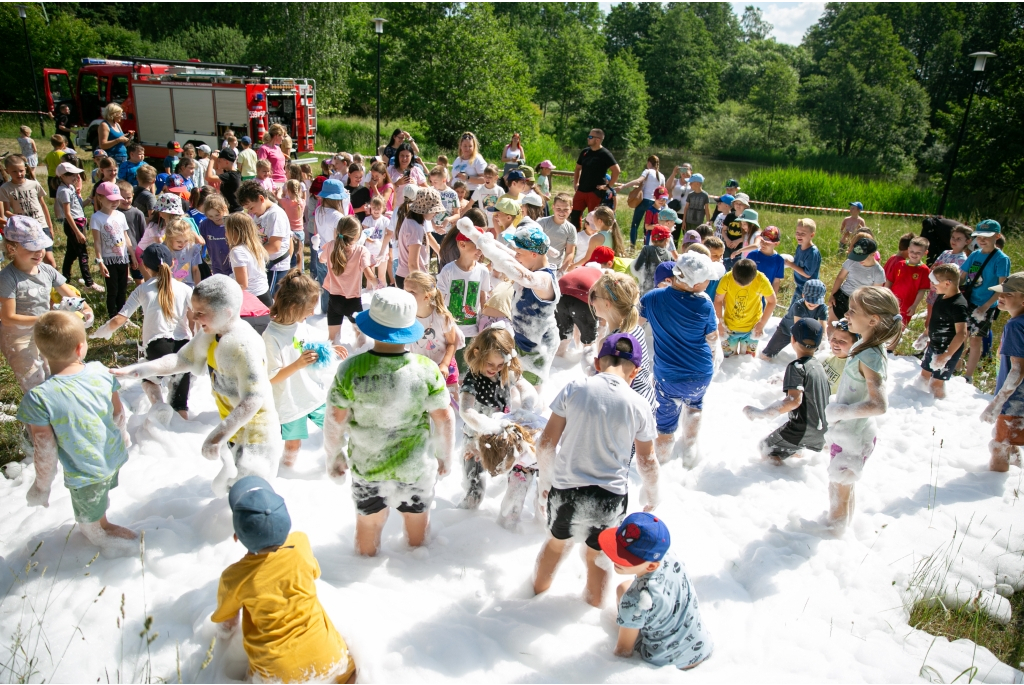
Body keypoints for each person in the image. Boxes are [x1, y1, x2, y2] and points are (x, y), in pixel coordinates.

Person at [114, 276, 282, 495]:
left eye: (201, 312)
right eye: (194, 310)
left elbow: (254, 398)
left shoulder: (243, 344)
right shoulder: (212, 333)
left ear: (227, 312)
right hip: (235, 431)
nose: (194, 316)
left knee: (250, 497)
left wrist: (218, 435)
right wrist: (139, 370)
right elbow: (181, 360)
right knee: (233, 491)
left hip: (256, 437)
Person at [322, 287, 456, 556]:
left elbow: (335, 420)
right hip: (414, 469)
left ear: (371, 326)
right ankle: (417, 569)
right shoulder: (426, 370)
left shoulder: (350, 370)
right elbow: (445, 419)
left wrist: (333, 455)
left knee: (368, 527)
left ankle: (363, 574)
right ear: (409, 329)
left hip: (367, 467)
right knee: (417, 529)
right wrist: (445, 456)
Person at [533, 333, 660, 608]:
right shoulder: (639, 404)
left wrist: (546, 481)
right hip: (609, 497)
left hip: (566, 490)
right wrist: (653, 495)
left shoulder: (575, 387)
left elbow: (545, 445)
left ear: (597, 363)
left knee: (555, 545)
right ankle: (591, 612)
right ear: (635, 371)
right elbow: (647, 461)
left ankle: (532, 599)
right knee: (598, 557)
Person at [213, 476, 356, 683]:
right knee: (345, 673)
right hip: (330, 660)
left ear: (236, 537)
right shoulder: (300, 545)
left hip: (277, 674)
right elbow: (314, 574)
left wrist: (222, 637)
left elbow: (227, 626)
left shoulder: (234, 578)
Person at [18, 311, 135, 557]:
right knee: (98, 507)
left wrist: (41, 487)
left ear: (41, 351)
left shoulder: (39, 398)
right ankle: (120, 538)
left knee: (92, 528)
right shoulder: (101, 371)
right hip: (112, 457)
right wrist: (123, 438)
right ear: (81, 348)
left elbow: (44, 448)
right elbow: (118, 414)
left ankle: (134, 544)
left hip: (85, 473)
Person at [824, 286, 901, 531]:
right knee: (843, 484)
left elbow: (879, 404)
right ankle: (841, 527)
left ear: (873, 320)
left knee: (839, 487)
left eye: (853, 310)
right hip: (850, 432)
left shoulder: (870, 356)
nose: (847, 313)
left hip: (853, 436)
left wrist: (840, 412)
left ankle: (833, 534)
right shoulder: (866, 348)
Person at [639, 252, 723, 466]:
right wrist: (712, 360)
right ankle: (690, 447)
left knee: (665, 424)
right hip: (700, 374)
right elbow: (712, 338)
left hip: (667, 377)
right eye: (707, 280)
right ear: (694, 284)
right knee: (695, 406)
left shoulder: (651, 298)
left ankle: (663, 463)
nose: (709, 283)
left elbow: (635, 329)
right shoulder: (704, 305)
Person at [91, 243, 194, 418]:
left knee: (149, 380)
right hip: (184, 347)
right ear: (173, 263)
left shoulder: (143, 289)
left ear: (145, 266)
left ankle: (159, 406)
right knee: (180, 403)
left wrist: (100, 332)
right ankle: (183, 432)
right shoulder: (185, 289)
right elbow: (196, 317)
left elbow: (119, 320)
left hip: (157, 346)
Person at [601, 513, 713, 670]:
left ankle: (631, 623)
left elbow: (623, 652)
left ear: (651, 566)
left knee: (623, 590)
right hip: (701, 645)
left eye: (624, 558)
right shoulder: (668, 556)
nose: (614, 558)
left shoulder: (634, 599)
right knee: (628, 589)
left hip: (664, 662)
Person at [457, 217, 560, 388]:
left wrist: (486, 245)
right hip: (522, 339)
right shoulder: (530, 263)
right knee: (514, 386)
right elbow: (505, 254)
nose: (515, 255)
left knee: (533, 390)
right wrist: (473, 234)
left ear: (533, 254)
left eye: (519, 252)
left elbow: (517, 273)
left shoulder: (543, 278)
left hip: (538, 346)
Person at [0, 216, 93, 394]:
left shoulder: (46, 270)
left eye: (41, 246)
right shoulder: (7, 278)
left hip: (45, 331)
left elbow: (69, 294)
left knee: (52, 374)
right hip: (18, 338)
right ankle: (35, 420)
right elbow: (8, 317)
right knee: (34, 383)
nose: (39, 252)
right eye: (32, 248)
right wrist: (47, 318)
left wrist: (86, 308)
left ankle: (55, 416)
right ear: (13, 248)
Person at [263, 270, 347, 468]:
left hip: (313, 394)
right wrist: (297, 364)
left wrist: (328, 348)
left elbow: (308, 347)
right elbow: (271, 377)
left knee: (334, 431)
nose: (312, 314)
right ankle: (286, 473)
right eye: (310, 309)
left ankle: (340, 469)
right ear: (293, 306)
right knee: (293, 445)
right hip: (290, 401)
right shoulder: (271, 336)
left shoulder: (300, 324)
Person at [744, 319, 830, 462]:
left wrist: (762, 413)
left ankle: (774, 479)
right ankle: (793, 462)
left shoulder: (797, 366)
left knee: (766, 448)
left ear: (793, 339)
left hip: (801, 429)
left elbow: (794, 400)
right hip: (823, 430)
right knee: (788, 446)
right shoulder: (819, 367)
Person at [589, 272, 656, 407]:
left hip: (625, 408)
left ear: (607, 304)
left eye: (594, 296)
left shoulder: (609, 343)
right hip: (645, 400)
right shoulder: (635, 328)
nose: (591, 301)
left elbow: (607, 387)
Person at [981, 272, 1024, 472]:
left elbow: (1017, 370)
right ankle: (1014, 482)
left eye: (1008, 294)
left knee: (1000, 444)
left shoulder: (1016, 326)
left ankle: (994, 488)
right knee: (1012, 441)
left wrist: (996, 404)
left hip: (1014, 400)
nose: (1001, 296)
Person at [960, 220, 1011, 383]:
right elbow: (962, 276)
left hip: (986, 305)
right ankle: (956, 366)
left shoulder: (1001, 259)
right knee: (961, 335)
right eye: (979, 236)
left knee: (975, 340)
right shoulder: (975, 254)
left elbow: (1003, 286)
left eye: (986, 237)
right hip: (968, 301)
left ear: (997, 236)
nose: (982, 240)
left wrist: (986, 306)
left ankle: (968, 375)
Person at [436, 224, 491, 373]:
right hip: (451, 332)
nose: (481, 252)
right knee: (451, 370)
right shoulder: (448, 270)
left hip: (473, 331)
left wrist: (485, 322)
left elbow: (483, 298)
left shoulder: (483, 271)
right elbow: (440, 300)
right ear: (462, 244)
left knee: (468, 370)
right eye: (478, 247)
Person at [405, 271, 464, 399]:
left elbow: (452, 342)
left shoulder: (441, 316)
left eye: (412, 292)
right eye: (405, 291)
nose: (406, 295)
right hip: (420, 367)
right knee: (424, 402)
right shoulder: (406, 317)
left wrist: (444, 364)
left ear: (427, 297)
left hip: (445, 366)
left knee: (451, 402)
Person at [322, 216, 375, 347]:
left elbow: (321, 259)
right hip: (353, 302)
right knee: (361, 339)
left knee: (332, 341)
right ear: (357, 235)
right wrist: (377, 282)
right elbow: (369, 274)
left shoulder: (330, 246)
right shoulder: (361, 250)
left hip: (334, 300)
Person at [919, 264, 969, 399]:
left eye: (935, 282)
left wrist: (947, 355)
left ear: (947, 283)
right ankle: (917, 403)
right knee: (924, 376)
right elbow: (935, 320)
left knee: (936, 384)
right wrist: (925, 334)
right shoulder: (941, 295)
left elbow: (961, 333)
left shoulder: (958, 305)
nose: (932, 285)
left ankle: (937, 408)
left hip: (948, 348)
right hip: (935, 344)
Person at [1, 155, 57, 268]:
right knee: (34, 261)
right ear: (7, 171)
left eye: (21, 171)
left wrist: (50, 226)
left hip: (41, 225)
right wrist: (19, 218)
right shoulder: (5, 188)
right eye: (14, 172)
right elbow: (7, 211)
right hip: (25, 229)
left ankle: (53, 283)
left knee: (50, 260)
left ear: (25, 169)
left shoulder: (34, 184)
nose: (19, 174)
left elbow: (43, 205)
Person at [237, 180, 292, 295]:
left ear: (261, 198)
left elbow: (274, 246)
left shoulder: (275, 215)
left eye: (251, 208)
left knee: (269, 301)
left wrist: (250, 254)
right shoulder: (260, 213)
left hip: (276, 266)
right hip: (266, 263)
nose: (250, 212)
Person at [91, 182, 137, 316]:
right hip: (108, 260)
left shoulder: (120, 215)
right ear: (100, 198)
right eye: (111, 200)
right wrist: (100, 261)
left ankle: (122, 315)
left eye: (117, 199)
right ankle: (112, 316)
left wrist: (132, 255)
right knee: (113, 290)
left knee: (123, 289)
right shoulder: (96, 217)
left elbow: (125, 236)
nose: (115, 202)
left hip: (122, 258)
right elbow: (97, 241)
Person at [714, 258, 777, 358]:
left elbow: (772, 301)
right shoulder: (727, 278)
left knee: (747, 360)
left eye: (746, 284)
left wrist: (762, 323)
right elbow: (718, 300)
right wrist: (719, 323)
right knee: (729, 360)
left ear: (754, 276)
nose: (741, 286)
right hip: (729, 328)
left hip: (752, 329)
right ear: (733, 274)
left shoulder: (761, 279)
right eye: (738, 283)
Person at [54, 161, 100, 291]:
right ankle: (89, 283)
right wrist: (78, 232)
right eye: (71, 175)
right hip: (74, 225)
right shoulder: (64, 191)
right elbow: (68, 214)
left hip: (79, 222)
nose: (75, 177)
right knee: (83, 254)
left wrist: (90, 198)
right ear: (62, 176)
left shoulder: (71, 188)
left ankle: (65, 279)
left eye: (75, 174)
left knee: (71, 254)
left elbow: (79, 206)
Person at [828, 235, 885, 336]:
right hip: (843, 296)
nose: (858, 260)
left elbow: (875, 294)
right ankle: (831, 347)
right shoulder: (851, 262)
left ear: (873, 254)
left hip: (860, 302)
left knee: (853, 330)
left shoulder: (878, 272)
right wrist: (833, 294)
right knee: (833, 325)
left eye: (862, 257)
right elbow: (840, 277)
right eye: (856, 257)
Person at [760, 279, 828, 361]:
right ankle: (762, 364)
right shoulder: (799, 305)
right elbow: (798, 327)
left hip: (805, 332)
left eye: (816, 301)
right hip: (786, 329)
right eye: (810, 300)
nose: (813, 303)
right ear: (803, 295)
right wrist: (799, 345)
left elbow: (823, 327)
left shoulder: (822, 307)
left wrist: (823, 342)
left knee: (812, 354)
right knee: (768, 353)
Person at [570, 128, 620, 230]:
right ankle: (575, 239)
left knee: (593, 218)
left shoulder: (605, 154)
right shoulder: (585, 152)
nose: (588, 138)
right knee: (574, 215)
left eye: (590, 137)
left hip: (595, 192)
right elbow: (578, 168)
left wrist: (608, 186)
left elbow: (616, 170)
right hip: (581, 190)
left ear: (598, 139)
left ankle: (591, 240)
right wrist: (576, 183)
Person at [924, 224, 971, 329]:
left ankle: (931, 343)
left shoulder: (963, 260)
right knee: (928, 321)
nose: (954, 240)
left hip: (943, 296)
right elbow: (933, 268)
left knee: (935, 323)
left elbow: (955, 280)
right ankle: (926, 343)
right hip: (933, 292)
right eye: (953, 237)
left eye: (959, 239)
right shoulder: (946, 253)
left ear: (967, 242)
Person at [396, 187, 443, 289]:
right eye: (434, 210)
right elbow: (412, 264)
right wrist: (422, 285)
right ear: (424, 209)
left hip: (409, 277)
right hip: (411, 279)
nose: (436, 213)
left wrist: (441, 253)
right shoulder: (415, 228)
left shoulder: (414, 222)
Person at [225, 213, 272, 308]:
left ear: (234, 231)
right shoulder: (256, 246)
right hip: (265, 295)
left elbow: (242, 284)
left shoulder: (237, 251)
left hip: (250, 299)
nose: (225, 233)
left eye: (226, 230)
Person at [618, 155, 665, 247]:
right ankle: (647, 245)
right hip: (654, 204)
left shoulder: (647, 171)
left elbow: (638, 181)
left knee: (635, 224)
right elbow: (662, 192)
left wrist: (623, 186)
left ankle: (632, 246)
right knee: (648, 227)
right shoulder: (662, 176)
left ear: (649, 163)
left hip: (644, 201)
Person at [571, 205, 625, 270]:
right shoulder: (613, 234)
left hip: (598, 270)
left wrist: (573, 266)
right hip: (609, 269)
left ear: (599, 221)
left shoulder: (596, 238)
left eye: (594, 220)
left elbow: (587, 259)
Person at [782, 218, 822, 301]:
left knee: (798, 312)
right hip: (800, 286)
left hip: (809, 290)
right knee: (793, 311)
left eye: (803, 233)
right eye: (797, 232)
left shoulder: (812, 252)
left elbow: (807, 274)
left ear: (812, 235)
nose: (799, 235)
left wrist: (791, 265)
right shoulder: (799, 247)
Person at [537, 193, 576, 274]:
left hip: (555, 268)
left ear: (571, 209)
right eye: (558, 208)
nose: (561, 212)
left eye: (565, 209)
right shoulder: (542, 223)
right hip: (537, 266)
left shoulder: (571, 229)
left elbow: (570, 252)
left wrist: (561, 271)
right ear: (553, 207)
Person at [631, 225, 676, 295]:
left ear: (651, 239)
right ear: (667, 240)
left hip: (645, 291)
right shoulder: (669, 255)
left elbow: (637, 268)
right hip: (661, 292)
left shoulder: (646, 249)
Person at [199, 194, 231, 276]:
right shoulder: (205, 225)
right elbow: (200, 244)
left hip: (233, 266)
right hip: (217, 266)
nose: (215, 218)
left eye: (217, 215)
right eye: (210, 216)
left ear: (225, 208)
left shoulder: (232, 223)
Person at [823, 320, 858, 394]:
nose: (835, 343)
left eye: (842, 341)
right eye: (834, 338)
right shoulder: (828, 355)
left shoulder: (851, 368)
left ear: (855, 345)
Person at [748, 225, 785, 294]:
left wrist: (772, 300)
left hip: (766, 295)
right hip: (751, 294)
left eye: (767, 243)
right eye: (762, 241)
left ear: (776, 243)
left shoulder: (779, 261)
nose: (763, 244)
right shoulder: (752, 255)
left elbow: (776, 281)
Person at [207, 148, 242, 212]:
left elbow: (208, 178)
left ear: (226, 162)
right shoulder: (230, 173)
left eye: (219, 161)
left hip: (234, 211)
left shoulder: (231, 175)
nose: (218, 162)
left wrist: (211, 160)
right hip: (231, 210)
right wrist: (216, 158)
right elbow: (217, 170)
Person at [680, 173, 711, 240]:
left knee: (697, 238)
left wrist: (708, 222)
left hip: (698, 222)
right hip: (688, 221)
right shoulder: (690, 195)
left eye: (691, 183)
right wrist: (684, 221)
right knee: (688, 237)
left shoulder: (705, 195)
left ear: (697, 183)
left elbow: (707, 209)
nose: (690, 184)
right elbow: (686, 208)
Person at [43, 134, 68, 198]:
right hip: (61, 177)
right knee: (64, 197)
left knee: (56, 198)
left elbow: (47, 167)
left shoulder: (48, 155)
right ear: (63, 144)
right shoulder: (63, 154)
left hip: (51, 177)